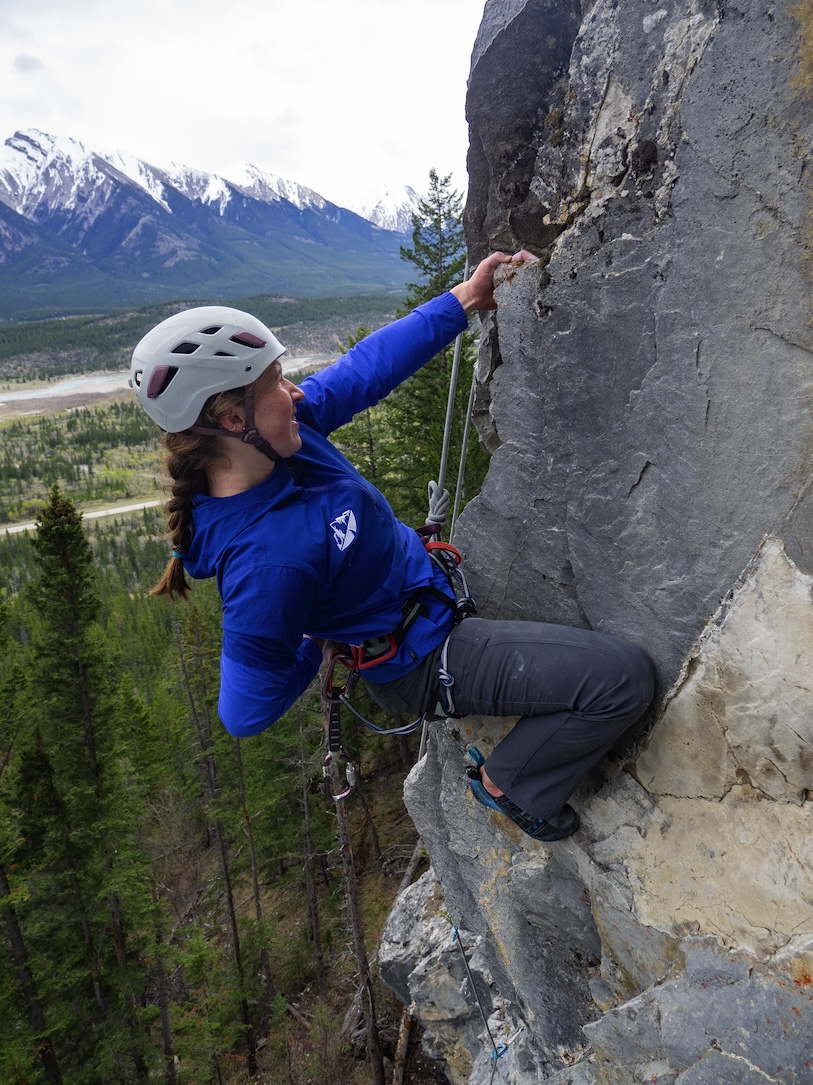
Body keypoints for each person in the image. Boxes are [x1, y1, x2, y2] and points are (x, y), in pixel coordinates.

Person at [131, 252, 654, 842]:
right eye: (276, 382)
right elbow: (245, 713)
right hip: (421, 657)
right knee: (621, 680)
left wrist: (462, 301)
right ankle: (516, 784)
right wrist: (317, 640)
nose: (296, 391)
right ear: (230, 418)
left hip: (424, 597)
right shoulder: (267, 562)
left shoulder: (284, 440)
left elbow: (364, 370)